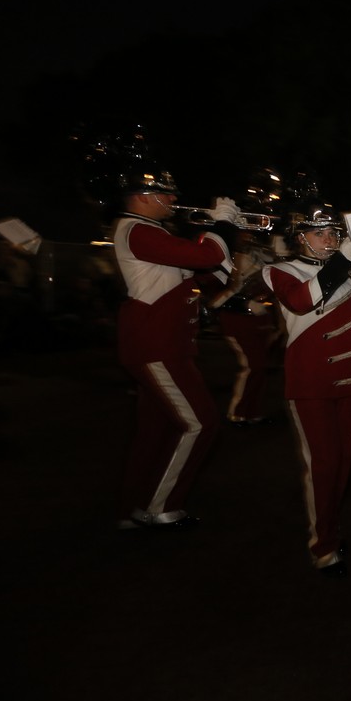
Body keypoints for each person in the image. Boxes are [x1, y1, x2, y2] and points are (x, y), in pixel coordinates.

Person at [262, 204, 351, 578]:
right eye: (320, 233)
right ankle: (322, 545)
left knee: (344, 462)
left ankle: (330, 529)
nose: (330, 239)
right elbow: (302, 301)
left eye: (335, 233)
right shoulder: (280, 271)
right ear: (300, 237)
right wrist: (344, 259)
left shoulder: (347, 269)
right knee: (323, 465)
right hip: (311, 382)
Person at [112, 165, 237, 529]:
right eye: (164, 193)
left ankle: (131, 507)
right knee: (201, 424)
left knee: (156, 431)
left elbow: (201, 275)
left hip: (165, 344)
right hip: (156, 345)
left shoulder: (151, 232)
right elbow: (205, 257)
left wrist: (227, 250)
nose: (172, 199)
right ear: (142, 198)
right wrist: (222, 224)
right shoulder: (137, 229)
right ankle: (161, 507)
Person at [204, 228, 279, 425]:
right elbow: (218, 295)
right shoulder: (223, 257)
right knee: (252, 366)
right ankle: (238, 412)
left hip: (259, 317)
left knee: (259, 368)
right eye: (242, 232)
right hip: (237, 318)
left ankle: (250, 412)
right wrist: (243, 303)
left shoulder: (260, 252)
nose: (248, 237)